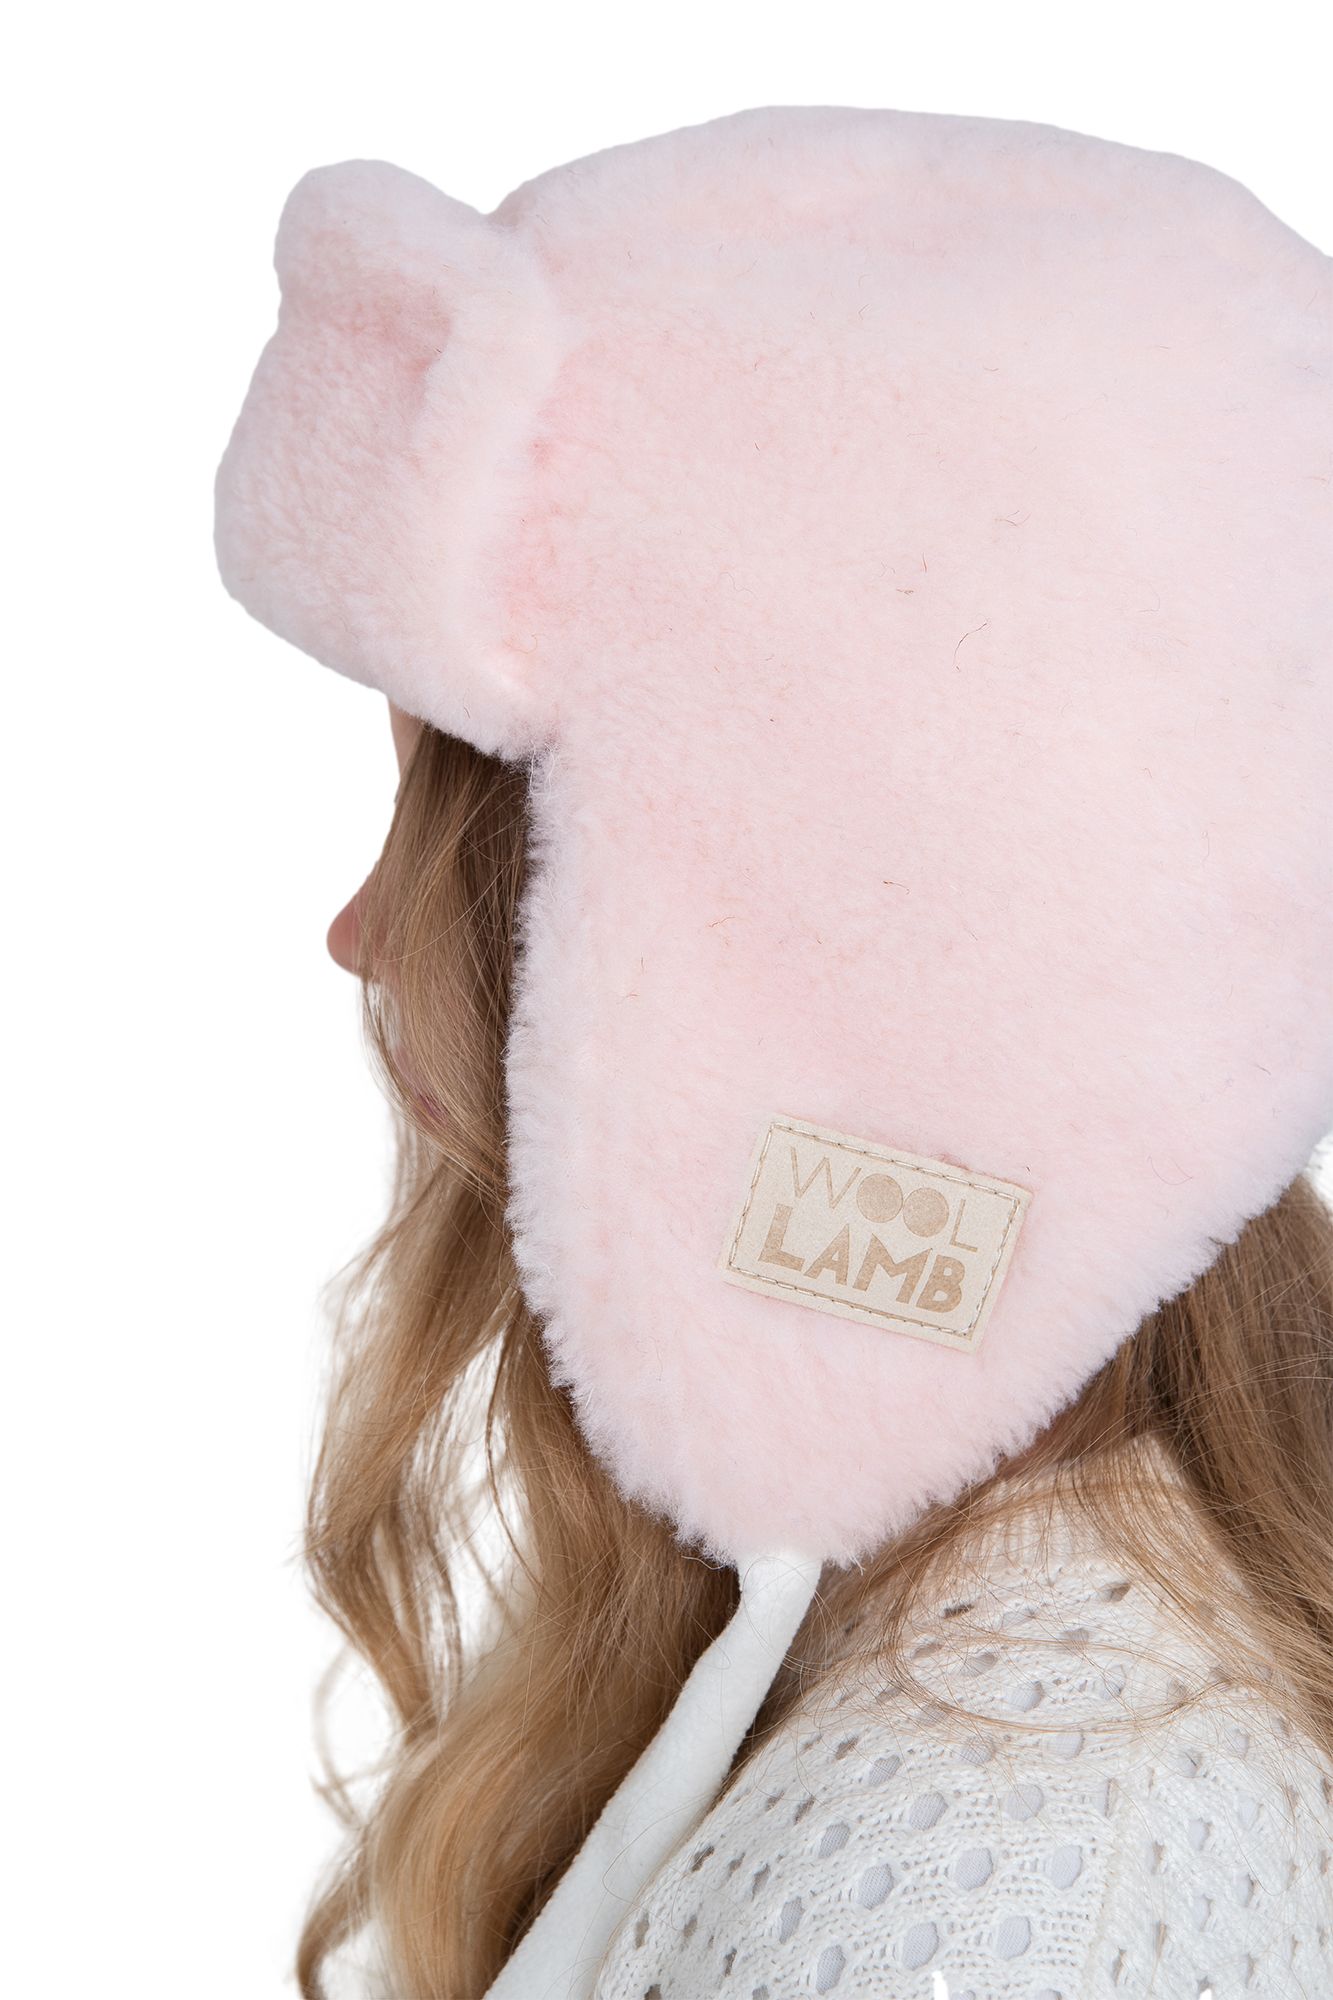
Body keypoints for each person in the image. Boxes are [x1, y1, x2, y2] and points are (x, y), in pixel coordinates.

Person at [215, 108, 1333, 1999]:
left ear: (760, 961)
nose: (360, 930)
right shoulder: (1012, 1712)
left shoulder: (975, 1877)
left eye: (447, 822)